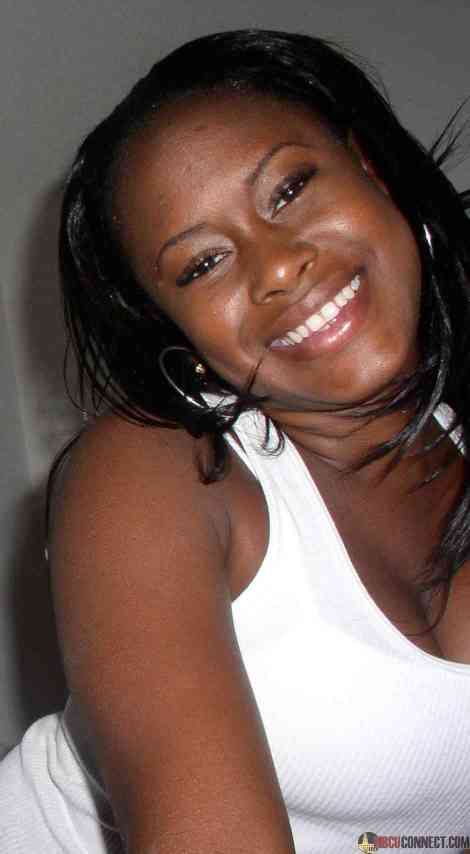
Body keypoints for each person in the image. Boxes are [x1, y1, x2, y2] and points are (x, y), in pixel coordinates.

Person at [1, 28, 470, 854]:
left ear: (371, 168)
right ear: (180, 338)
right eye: (202, 265)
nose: (277, 267)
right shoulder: (157, 472)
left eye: (288, 190)